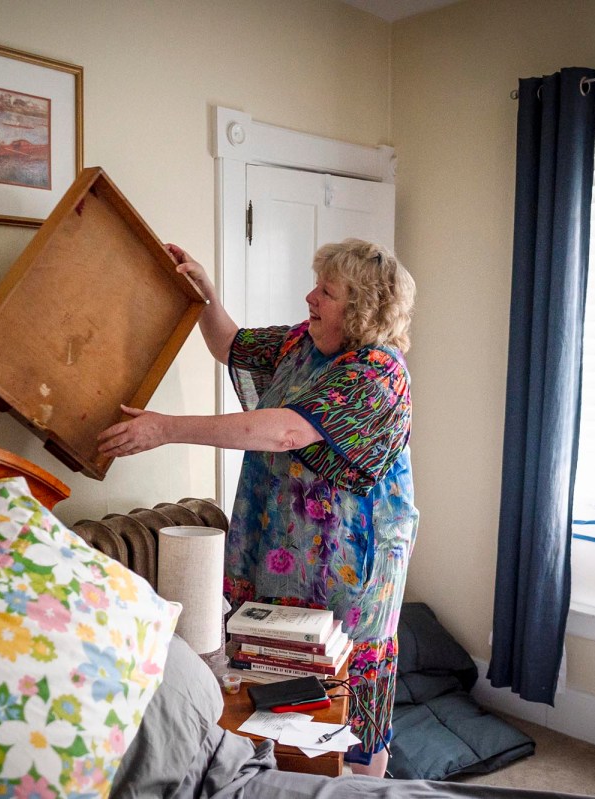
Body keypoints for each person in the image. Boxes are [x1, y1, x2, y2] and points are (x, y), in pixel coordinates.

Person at [96, 239, 418, 777]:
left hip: (349, 570)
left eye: (327, 291)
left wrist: (167, 428)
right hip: (281, 548)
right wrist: (206, 298)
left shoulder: (379, 374)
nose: (310, 295)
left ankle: (361, 791)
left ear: (361, 308)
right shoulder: (301, 343)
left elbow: (286, 431)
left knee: (348, 713)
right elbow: (230, 345)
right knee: (280, 697)